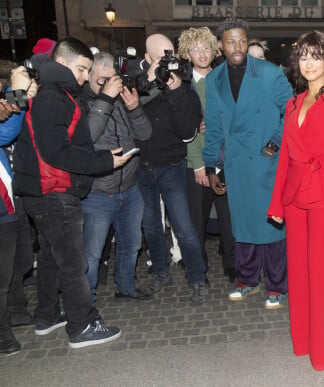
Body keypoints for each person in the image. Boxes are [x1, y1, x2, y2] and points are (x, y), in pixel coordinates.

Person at [13, 37, 128, 348]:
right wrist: (105, 161)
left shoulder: (53, 93)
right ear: (61, 62)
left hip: (44, 191)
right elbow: (56, 152)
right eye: (81, 69)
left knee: (51, 257)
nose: (83, 77)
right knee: (74, 263)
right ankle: (81, 326)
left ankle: (47, 316)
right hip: (53, 190)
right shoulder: (53, 97)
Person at [268, 30, 324, 372]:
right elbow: (285, 158)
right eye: (303, 56)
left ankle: (322, 351)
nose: (308, 63)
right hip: (294, 197)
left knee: (320, 275)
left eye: (316, 56)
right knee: (299, 272)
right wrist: (277, 203)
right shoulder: (292, 103)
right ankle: (302, 341)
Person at [202, 18, 293, 309]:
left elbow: (290, 111)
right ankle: (248, 279)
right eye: (230, 41)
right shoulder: (214, 79)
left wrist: (276, 142)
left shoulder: (269, 73)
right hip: (237, 163)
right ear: (221, 45)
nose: (237, 47)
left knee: (271, 224)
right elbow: (214, 125)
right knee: (241, 225)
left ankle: (278, 285)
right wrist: (210, 166)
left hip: (266, 160)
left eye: (242, 40)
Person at [135, 33, 207, 304]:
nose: (167, 61)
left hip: (172, 167)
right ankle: (161, 273)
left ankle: (197, 279)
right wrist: (149, 82)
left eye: (170, 55)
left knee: (183, 226)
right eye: (160, 57)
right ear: (147, 59)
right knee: (151, 227)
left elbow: (188, 133)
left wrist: (174, 91)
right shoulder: (136, 85)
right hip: (141, 167)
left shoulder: (183, 88)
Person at [81, 52, 152, 303]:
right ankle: (85, 303)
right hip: (99, 192)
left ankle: (125, 287)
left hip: (130, 187)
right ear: (88, 76)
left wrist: (134, 109)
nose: (108, 84)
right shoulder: (82, 102)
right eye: (101, 80)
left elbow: (144, 134)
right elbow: (88, 136)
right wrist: (105, 98)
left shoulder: (121, 98)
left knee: (131, 244)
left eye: (112, 79)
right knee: (92, 253)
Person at [177, 27, 236, 284]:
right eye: (196, 49)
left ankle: (234, 267)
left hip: (226, 162)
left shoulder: (226, 79)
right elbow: (184, 131)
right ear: (187, 53)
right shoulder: (182, 85)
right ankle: (198, 271)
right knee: (197, 223)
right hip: (198, 164)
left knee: (230, 219)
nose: (202, 53)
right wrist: (199, 165)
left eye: (206, 48)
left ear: (215, 51)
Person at [0, 66, 38, 355]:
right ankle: (3, 333)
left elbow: (7, 130)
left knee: (20, 259)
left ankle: (16, 310)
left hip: (8, 195)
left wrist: (18, 100)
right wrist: (20, 96)